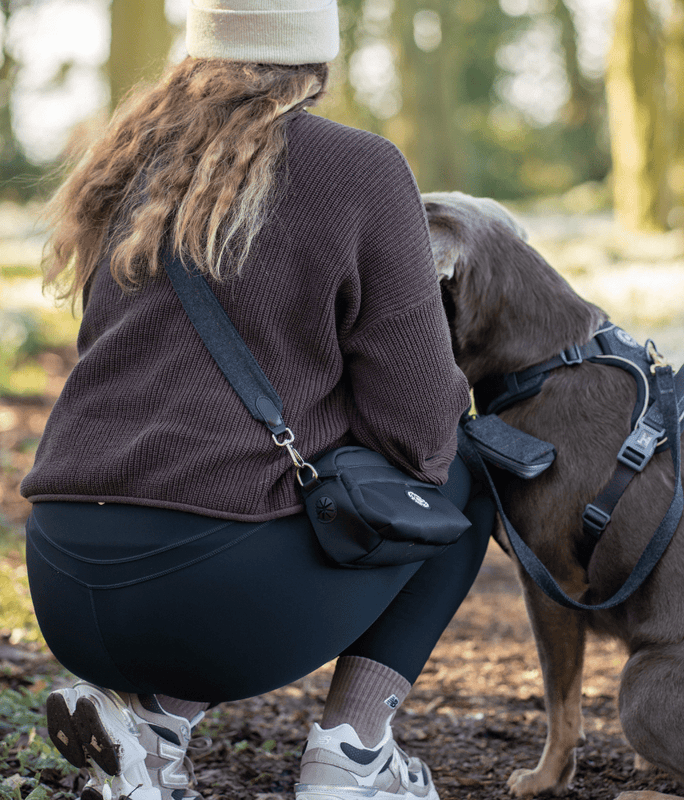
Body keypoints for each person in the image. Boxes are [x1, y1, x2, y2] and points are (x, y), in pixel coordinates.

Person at [20, 2, 495, 799]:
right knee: (465, 472)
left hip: (62, 578)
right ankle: (353, 756)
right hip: (211, 602)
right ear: (320, 57)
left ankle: (152, 735)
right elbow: (418, 431)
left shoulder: (128, 161)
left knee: (223, 496)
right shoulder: (361, 168)